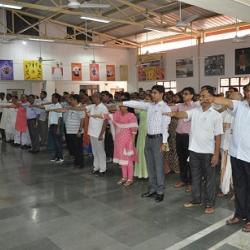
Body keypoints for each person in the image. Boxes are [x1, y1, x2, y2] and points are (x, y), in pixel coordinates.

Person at [167, 88, 223, 214]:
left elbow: (218, 136)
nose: (202, 99)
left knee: (209, 179)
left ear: (211, 98)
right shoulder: (195, 111)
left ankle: (210, 203)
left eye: (205, 96)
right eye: (201, 96)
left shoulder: (216, 115)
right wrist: (174, 114)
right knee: (196, 177)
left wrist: (215, 154)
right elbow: (184, 114)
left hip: (208, 153)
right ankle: (196, 199)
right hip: (194, 150)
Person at [204, 83, 250, 232]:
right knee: (239, 187)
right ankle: (240, 214)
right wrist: (211, 98)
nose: (249, 93)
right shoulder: (240, 106)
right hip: (237, 153)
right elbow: (226, 102)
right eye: (247, 91)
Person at [122, 85, 171, 202]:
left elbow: (165, 127)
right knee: (150, 166)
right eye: (152, 93)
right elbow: (137, 104)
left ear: (161, 94)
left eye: (155, 93)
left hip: (158, 139)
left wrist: (164, 142)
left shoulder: (165, 108)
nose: (152, 95)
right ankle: (152, 189)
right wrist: (124, 102)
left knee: (158, 167)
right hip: (148, 138)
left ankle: (160, 191)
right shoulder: (149, 105)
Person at [91, 92, 138, 186]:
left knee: (128, 161)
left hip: (127, 141)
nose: (121, 108)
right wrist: (97, 115)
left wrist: (131, 143)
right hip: (119, 141)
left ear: (128, 106)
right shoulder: (117, 114)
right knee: (122, 161)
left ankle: (130, 178)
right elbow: (107, 116)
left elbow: (134, 131)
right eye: (120, 106)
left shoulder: (131, 116)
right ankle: (124, 177)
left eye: (124, 106)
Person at [173, 87, 197, 192]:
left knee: (190, 160)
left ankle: (191, 183)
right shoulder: (179, 105)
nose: (184, 96)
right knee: (181, 159)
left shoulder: (196, 106)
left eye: (186, 94)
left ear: (192, 95)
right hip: (179, 135)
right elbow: (168, 109)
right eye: (183, 94)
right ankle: (183, 180)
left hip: (189, 136)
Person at [87, 92, 108, 176]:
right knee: (94, 152)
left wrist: (101, 134)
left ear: (98, 98)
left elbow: (105, 122)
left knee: (101, 152)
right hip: (92, 132)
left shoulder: (103, 108)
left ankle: (103, 169)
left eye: (93, 97)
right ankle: (96, 168)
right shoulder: (93, 107)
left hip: (99, 133)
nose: (92, 98)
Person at [134, 94, 151, 179]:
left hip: (150, 131)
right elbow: (135, 109)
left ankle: (148, 172)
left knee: (148, 151)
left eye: (148, 99)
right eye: (145, 98)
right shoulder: (141, 108)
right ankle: (141, 172)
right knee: (140, 150)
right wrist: (143, 103)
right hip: (141, 131)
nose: (146, 99)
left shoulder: (153, 107)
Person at [65, 94, 85, 168]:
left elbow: (82, 120)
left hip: (76, 132)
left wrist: (79, 131)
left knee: (78, 148)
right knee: (73, 148)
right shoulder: (71, 107)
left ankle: (80, 163)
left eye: (71, 100)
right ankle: (76, 162)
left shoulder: (79, 108)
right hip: (70, 131)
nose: (70, 101)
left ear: (76, 100)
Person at [44, 93, 63, 163]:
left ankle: (60, 157)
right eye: (52, 98)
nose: (52, 99)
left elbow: (60, 118)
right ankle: (56, 156)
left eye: (53, 98)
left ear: (57, 98)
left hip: (56, 126)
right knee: (55, 143)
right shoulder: (51, 105)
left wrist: (58, 128)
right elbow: (44, 107)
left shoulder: (59, 106)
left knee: (58, 142)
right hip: (51, 125)